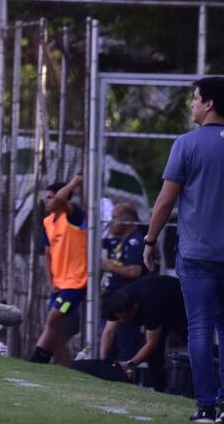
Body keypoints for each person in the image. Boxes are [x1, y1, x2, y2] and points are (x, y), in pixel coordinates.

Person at [141, 76, 224, 422]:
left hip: (196, 253)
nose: (192, 104)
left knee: (200, 327)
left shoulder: (187, 144)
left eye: (195, 99)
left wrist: (150, 240)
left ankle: (205, 405)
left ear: (208, 103)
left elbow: (165, 201)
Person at [29, 175, 87, 366]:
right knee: (56, 327)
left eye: (50, 197)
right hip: (59, 283)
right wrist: (50, 280)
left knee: (53, 319)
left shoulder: (72, 215)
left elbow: (62, 199)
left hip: (76, 282)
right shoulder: (48, 222)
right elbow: (48, 254)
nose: (46, 201)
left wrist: (73, 183)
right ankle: (65, 363)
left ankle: (38, 358)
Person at [100, 275, 187, 393]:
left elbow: (151, 344)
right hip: (157, 297)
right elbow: (109, 333)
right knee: (154, 357)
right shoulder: (116, 303)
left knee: (192, 343)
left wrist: (130, 365)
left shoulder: (150, 306)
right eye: (119, 318)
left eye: (125, 318)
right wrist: (103, 362)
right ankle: (160, 390)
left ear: (135, 308)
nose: (122, 321)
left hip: (179, 304)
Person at [99, 203, 147, 363]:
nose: (110, 222)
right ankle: (105, 369)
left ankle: (131, 375)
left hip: (124, 305)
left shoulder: (135, 241)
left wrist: (110, 266)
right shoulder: (120, 241)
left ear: (128, 220)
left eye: (114, 218)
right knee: (109, 340)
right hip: (112, 303)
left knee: (126, 345)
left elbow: (135, 271)